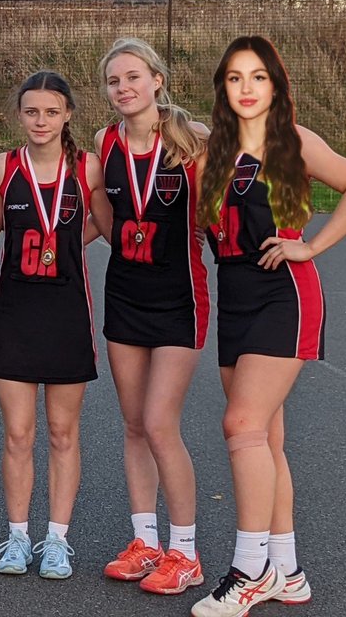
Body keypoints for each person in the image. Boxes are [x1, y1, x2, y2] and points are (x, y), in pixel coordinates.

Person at [190, 36, 346, 617]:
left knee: (242, 426)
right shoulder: (211, 151)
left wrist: (311, 245)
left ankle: (249, 570)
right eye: (234, 78)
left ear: (276, 85)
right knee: (265, 438)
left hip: (286, 294)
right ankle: (288, 570)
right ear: (223, 89)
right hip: (237, 297)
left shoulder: (294, 142)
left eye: (258, 77)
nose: (246, 89)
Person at [0, 70, 111, 581]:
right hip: (16, 314)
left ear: (68, 113)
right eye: (31, 111)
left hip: (68, 314)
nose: (41, 120)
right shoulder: (5, 167)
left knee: (63, 433)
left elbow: (108, 226)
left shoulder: (88, 168)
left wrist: (69, 245)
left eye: (51, 111)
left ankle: (57, 540)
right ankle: (18, 536)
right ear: (18, 115)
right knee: (18, 434)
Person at [96, 38, 210, 595]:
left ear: (157, 80)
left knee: (162, 423)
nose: (124, 88)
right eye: (114, 81)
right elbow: (101, 215)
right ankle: (145, 542)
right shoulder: (105, 141)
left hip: (180, 298)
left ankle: (185, 552)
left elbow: (233, 206)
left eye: (133, 77)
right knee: (135, 423)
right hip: (125, 295)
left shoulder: (194, 141)